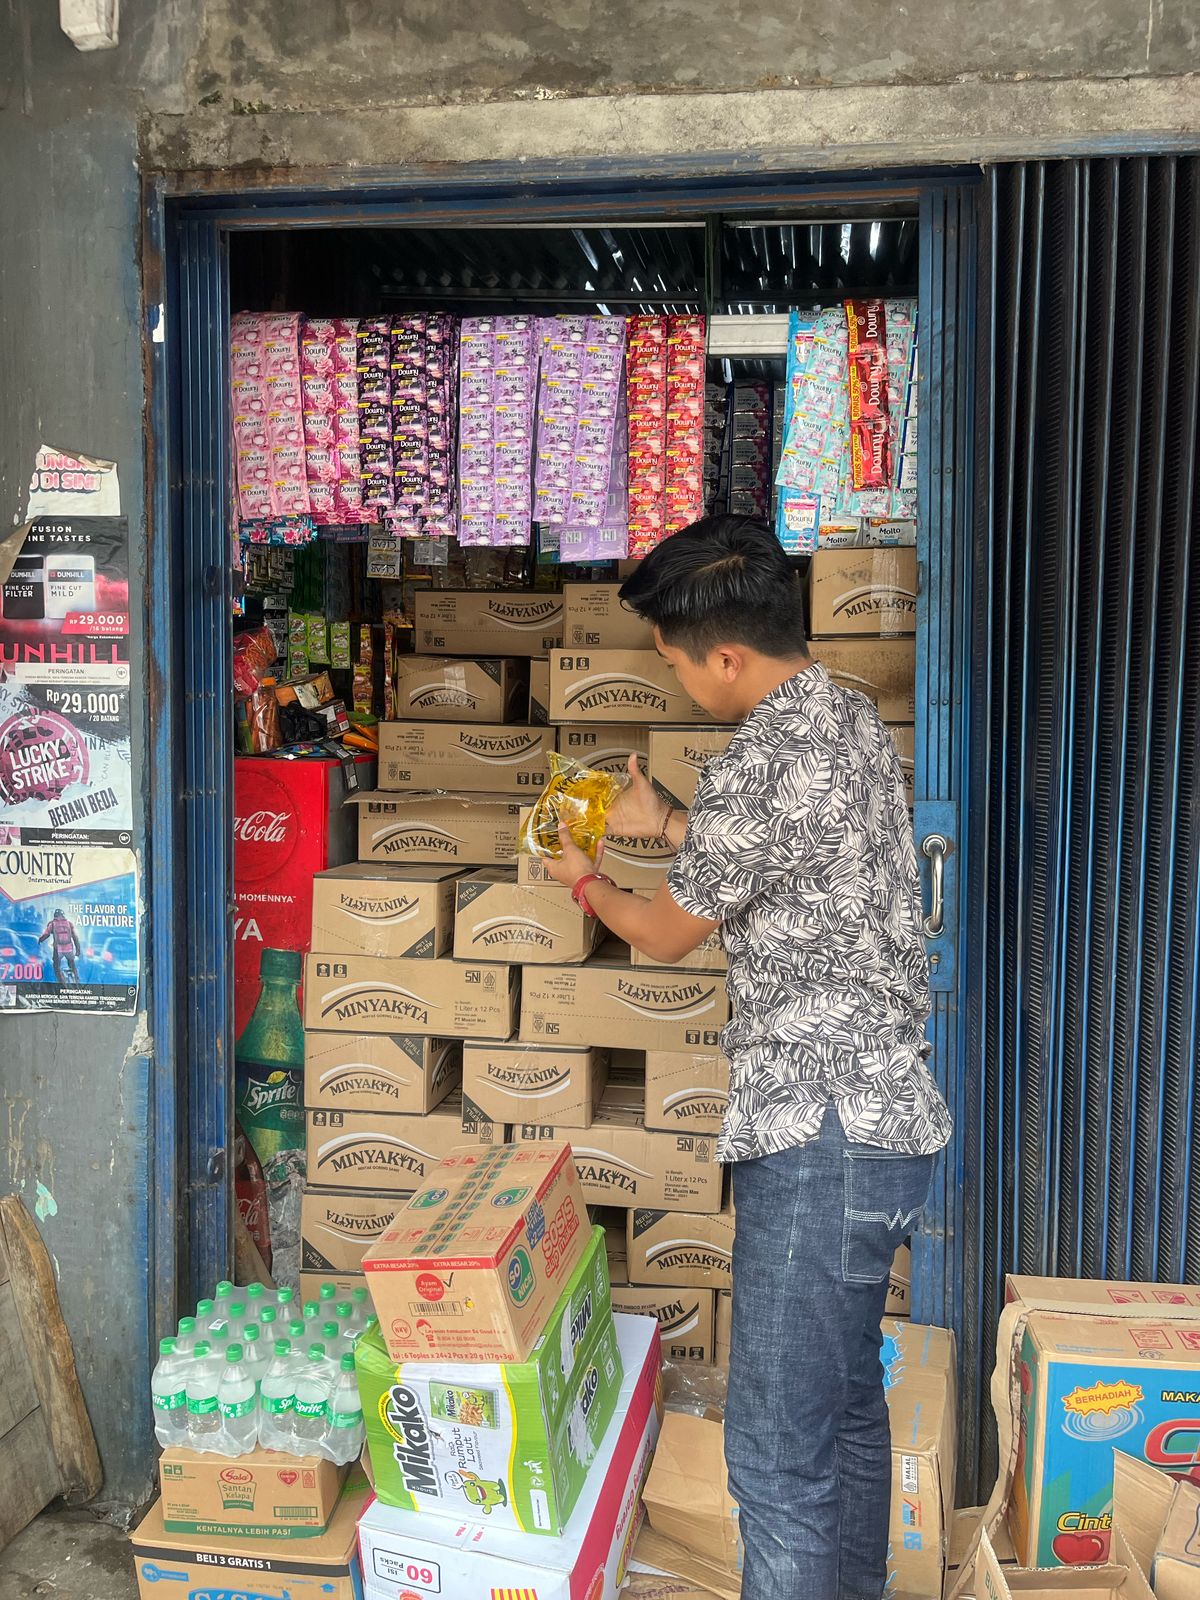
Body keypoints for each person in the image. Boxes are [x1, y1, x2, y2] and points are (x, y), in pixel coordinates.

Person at [542, 515, 951, 1600]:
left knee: (773, 1451)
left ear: (726, 654)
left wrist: (583, 878)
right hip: (891, 1125)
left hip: (815, 1140)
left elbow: (671, 932)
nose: (679, 683)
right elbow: (787, 859)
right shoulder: (850, 717)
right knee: (846, 1406)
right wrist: (666, 819)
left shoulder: (758, 758)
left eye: (676, 663)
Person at [39, 907, 82, 984]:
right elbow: (75, 937)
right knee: (72, 964)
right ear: (63, 915)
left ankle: (62, 983)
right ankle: (77, 980)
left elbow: (46, 934)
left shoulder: (52, 924)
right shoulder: (69, 924)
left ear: (55, 915)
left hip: (58, 950)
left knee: (56, 966)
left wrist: (40, 940)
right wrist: (78, 950)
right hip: (69, 949)